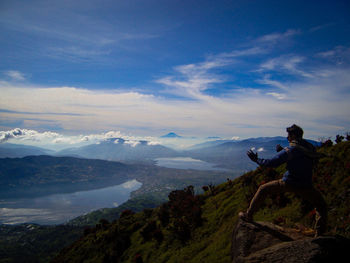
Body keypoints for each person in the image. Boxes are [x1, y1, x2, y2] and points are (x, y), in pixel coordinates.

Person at [239, 124, 327, 237]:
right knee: (321, 205)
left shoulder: (291, 149)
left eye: (289, 135)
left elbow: (271, 163)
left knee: (263, 189)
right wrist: (281, 151)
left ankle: (248, 215)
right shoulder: (309, 147)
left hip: (289, 182)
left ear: (293, 135)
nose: (287, 138)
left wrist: (256, 160)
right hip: (306, 185)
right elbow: (304, 158)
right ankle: (319, 233)